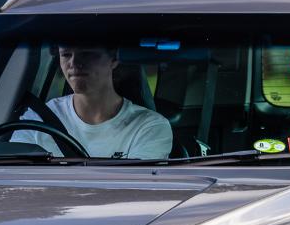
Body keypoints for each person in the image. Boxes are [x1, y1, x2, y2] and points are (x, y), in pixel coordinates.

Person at [12, 44, 172, 159]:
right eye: (66, 54)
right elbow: (14, 176)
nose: (73, 63)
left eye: (87, 53)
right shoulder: (37, 119)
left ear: (114, 59)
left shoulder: (149, 126)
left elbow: (136, 191)